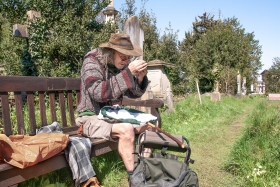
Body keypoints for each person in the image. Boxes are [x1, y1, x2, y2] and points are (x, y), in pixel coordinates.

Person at [75, 33, 151, 186]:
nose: (126, 61)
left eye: (129, 58)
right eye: (123, 57)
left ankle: (143, 170)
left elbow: (132, 93)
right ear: (110, 53)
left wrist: (140, 78)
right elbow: (98, 93)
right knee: (127, 129)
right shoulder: (91, 62)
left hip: (112, 115)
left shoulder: (117, 65)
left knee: (149, 125)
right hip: (91, 117)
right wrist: (128, 73)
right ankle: (136, 181)